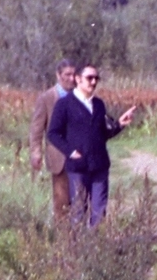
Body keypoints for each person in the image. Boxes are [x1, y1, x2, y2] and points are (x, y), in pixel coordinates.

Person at [47, 65, 136, 229]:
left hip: (100, 167)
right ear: (77, 79)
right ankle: (78, 251)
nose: (94, 82)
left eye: (96, 78)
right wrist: (70, 152)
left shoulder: (99, 104)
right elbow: (53, 133)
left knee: (99, 213)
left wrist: (119, 125)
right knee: (78, 212)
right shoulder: (64, 104)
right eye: (89, 78)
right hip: (78, 168)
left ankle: (98, 250)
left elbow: (102, 134)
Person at [29, 60, 77, 223]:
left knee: (81, 201)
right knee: (61, 203)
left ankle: (83, 242)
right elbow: (36, 130)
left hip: (80, 157)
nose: (71, 78)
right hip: (59, 158)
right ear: (58, 75)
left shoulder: (81, 95)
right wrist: (36, 153)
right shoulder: (47, 98)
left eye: (73, 74)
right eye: (67, 75)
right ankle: (63, 244)